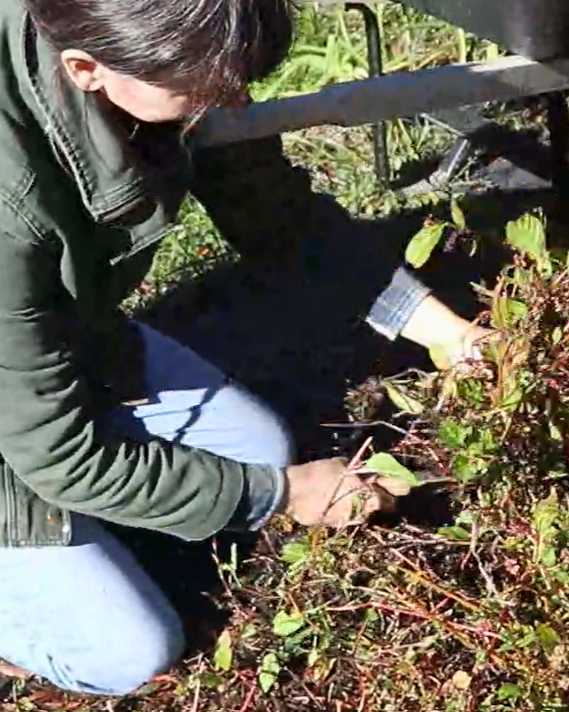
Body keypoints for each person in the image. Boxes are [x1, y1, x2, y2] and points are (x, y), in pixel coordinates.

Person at [0, 0, 487, 698]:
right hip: (23, 417)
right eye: (206, 88)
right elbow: (56, 455)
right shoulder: (9, 211)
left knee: (255, 448)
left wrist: (449, 334)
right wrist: (284, 495)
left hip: (51, 352)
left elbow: (277, 216)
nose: (227, 100)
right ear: (85, 70)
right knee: (129, 654)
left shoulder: (160, 44)